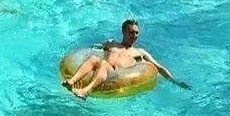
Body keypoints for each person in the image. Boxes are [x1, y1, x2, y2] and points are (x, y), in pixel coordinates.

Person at [62, 19, 191, 99]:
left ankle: (85, 91)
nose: (134, 36)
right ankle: (71, 81)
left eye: (136, 33)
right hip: (103, 67)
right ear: (123, 32)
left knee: (102, 63)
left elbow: (159, 67)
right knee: (95, 58)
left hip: (116, 75)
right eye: (131, 32)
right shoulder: (111, 43)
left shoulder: (139, 52)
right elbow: (90, 51)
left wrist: (176, 82)